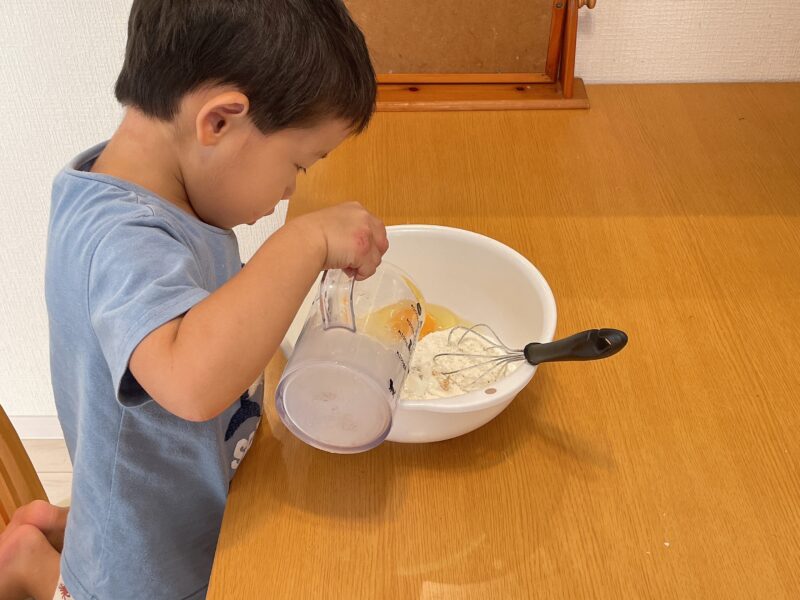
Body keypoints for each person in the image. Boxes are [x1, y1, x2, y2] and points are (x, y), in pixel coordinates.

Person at [0, 1, 386, 598]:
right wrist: (304, 241)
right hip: (141, 571)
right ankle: (41, 568)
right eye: (298, 166)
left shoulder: (157, 186)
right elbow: (190, 380)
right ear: (219, 122)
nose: (288, 193)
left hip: (179, 497)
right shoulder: (120, 241)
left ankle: (62, 537)